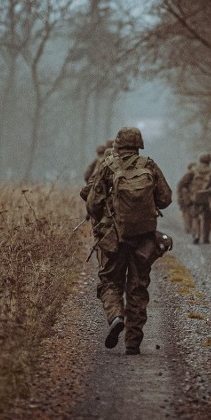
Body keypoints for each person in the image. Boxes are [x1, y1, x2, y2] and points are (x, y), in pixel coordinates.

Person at [86, 126, 173, 355]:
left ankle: (116, 316)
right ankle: (133, 343)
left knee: (109, 282)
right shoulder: (149, 165)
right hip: (143, 239)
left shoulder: (107, 166)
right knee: (137, 288)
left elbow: (93, 204)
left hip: (113, 237)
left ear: (117, 144)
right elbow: (165, 199)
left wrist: (104, 218)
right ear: (139, 144)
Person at [186, 152, 211, 244]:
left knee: (195, 216)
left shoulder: (194, 171)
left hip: (195, 197)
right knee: (207, 218)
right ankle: (206, 238)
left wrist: (189, 194)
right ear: (209, 161)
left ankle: (196, 234)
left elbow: (185, 184)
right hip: (207, 197)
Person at [176, 162, 197, 234]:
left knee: (190, 214)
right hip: (185, 199)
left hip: (189, 198)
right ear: (190, 168)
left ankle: (190, 229)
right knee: (186, 214)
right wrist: (182, 198)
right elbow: (181, 187)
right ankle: (188, 229)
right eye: (194, 167)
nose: (195, 168)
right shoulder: (189, 175)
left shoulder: (194, 175)